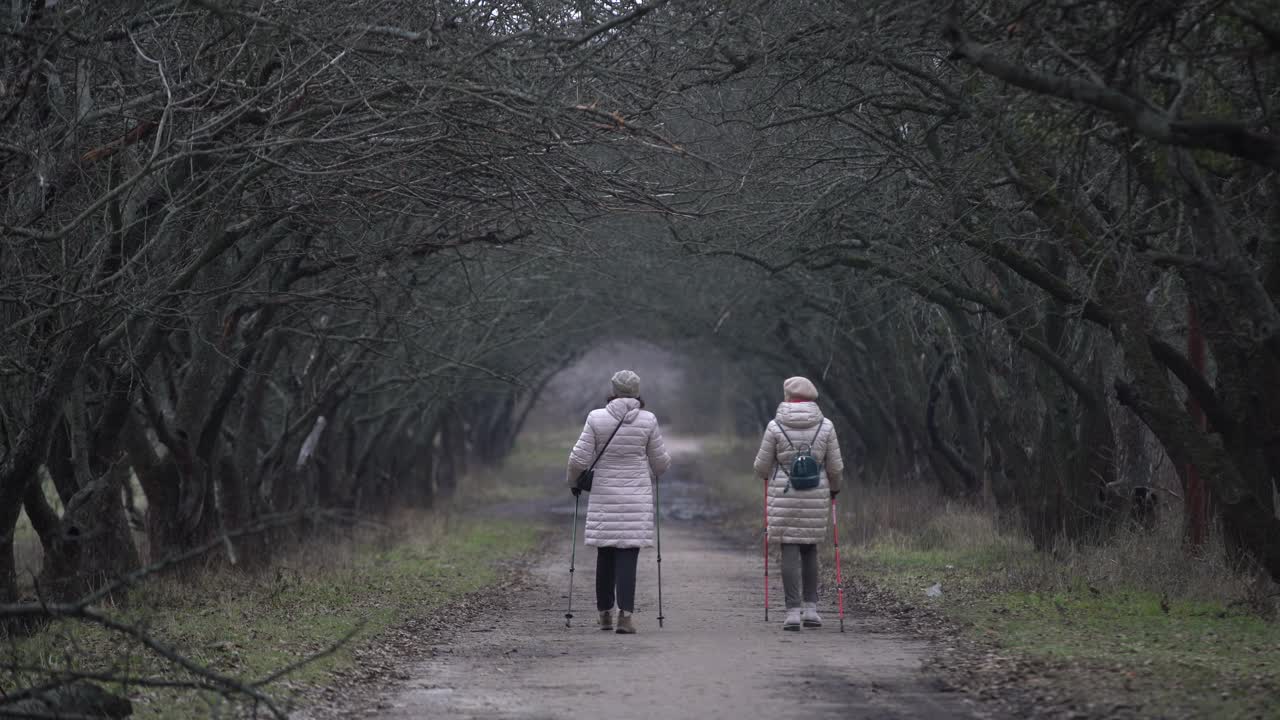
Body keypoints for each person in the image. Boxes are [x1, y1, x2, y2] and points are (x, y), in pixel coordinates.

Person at [566, 369, 671, 634]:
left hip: (604, 494)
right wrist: (660, 466)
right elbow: (659, 464)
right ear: (636, 391)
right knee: (628, 554)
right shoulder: (648, 420)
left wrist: (573, 482)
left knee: (606, 552)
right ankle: (625, 616)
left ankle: (604, 614)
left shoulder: (596, 418)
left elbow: (578, 459)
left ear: (613, 390)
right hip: (637, 495)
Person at [753, 376, 845, 631]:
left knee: (789, 549)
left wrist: (769, 474)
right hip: (816, 493)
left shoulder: (775, 426)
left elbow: (761, 467)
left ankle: (792, 612)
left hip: (784, 494)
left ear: (787, 397)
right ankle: (812, 609)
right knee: (810, 548)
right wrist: (834, 489)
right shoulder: (826, 426)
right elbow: (835, 467)